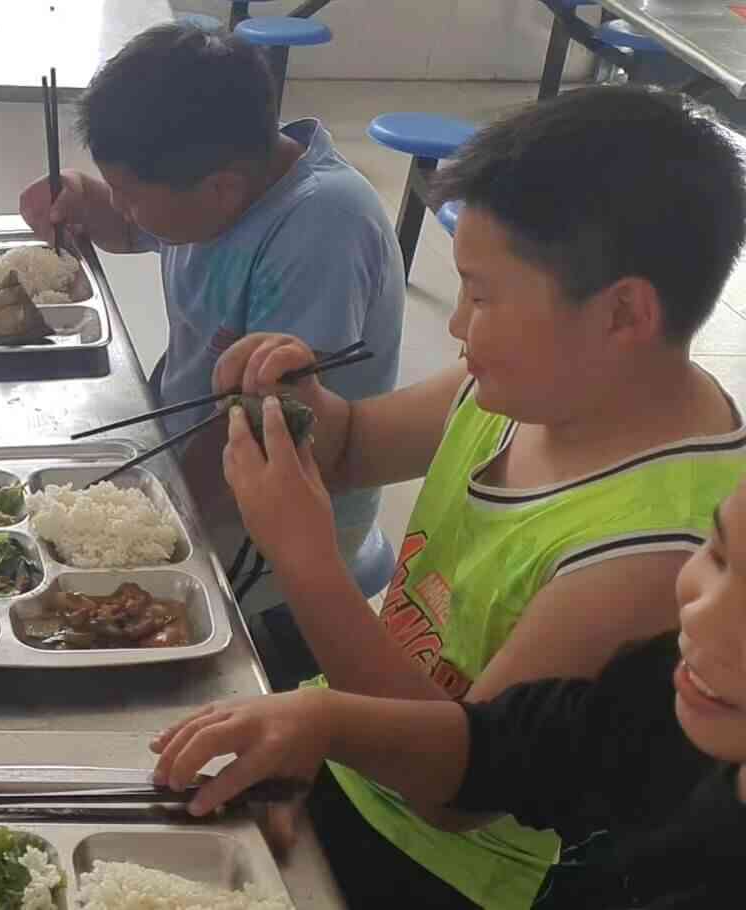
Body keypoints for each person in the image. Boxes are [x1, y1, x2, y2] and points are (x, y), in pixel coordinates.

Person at [212, 85, 746, 909]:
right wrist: (296, 403)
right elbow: (352, 447)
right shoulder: (530, 384)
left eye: (482, 294)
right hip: (344, 741)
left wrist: (307, 561)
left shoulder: (654, 547)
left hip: (442, 863)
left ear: (622, 314)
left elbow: (455, 783)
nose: (457, 323)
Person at [151, 472, 746, 908]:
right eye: (717, 555)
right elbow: (512, 746)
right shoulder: (666, 695)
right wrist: (323, 721)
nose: (700, 613)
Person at [19, 22, 404, 566]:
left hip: (277, 512)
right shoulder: (218, 174)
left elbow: (262, 420)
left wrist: (147, 515)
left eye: (128, 194)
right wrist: (82, 197)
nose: (122, 206)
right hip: (189, 442)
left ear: (221, 187)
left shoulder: (323, 230)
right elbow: (130, 228)